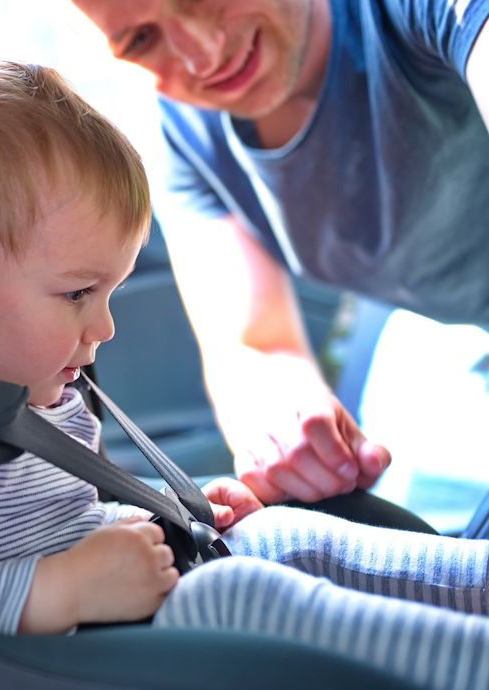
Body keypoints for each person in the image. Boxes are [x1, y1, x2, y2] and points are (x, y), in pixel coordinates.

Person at [0, 57, 489, 688]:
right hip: (75, 646)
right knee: (243, 592)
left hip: (131, 589)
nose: (105, 328)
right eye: (76, 295)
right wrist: (65, 587)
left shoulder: (31, 386)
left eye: (108, 294)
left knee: (282, 534)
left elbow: (74, 513)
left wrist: (170, 511)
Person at [64, 0, 489, 515]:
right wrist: (293, 437)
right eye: (141, 41)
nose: (204, 56)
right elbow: (257, 346)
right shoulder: (184, 133)